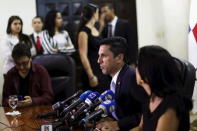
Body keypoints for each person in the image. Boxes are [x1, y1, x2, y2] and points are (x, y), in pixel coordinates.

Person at [131, 45, 192, 131]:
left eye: (138, 65)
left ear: (148, 71)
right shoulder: (151, 97)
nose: (135, 68)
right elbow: (141, 128)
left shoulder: (171, 105)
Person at [96, 37, 146, 131]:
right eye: (99, 55)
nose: (99, 60)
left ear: (119, 58)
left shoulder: (132, 77)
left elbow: (147, 113)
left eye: (103, 56)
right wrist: (108, 118)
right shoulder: (113, 77)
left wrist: (117, 124)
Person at [77, 4, 111, 93]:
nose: (98, 14)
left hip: (101, 69)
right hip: (92, 71)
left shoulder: (94, 28)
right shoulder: (83, 32)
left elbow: (96, 40)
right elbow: (83, 55)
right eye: (97, 12)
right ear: (93, 14)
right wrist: (91, 76)